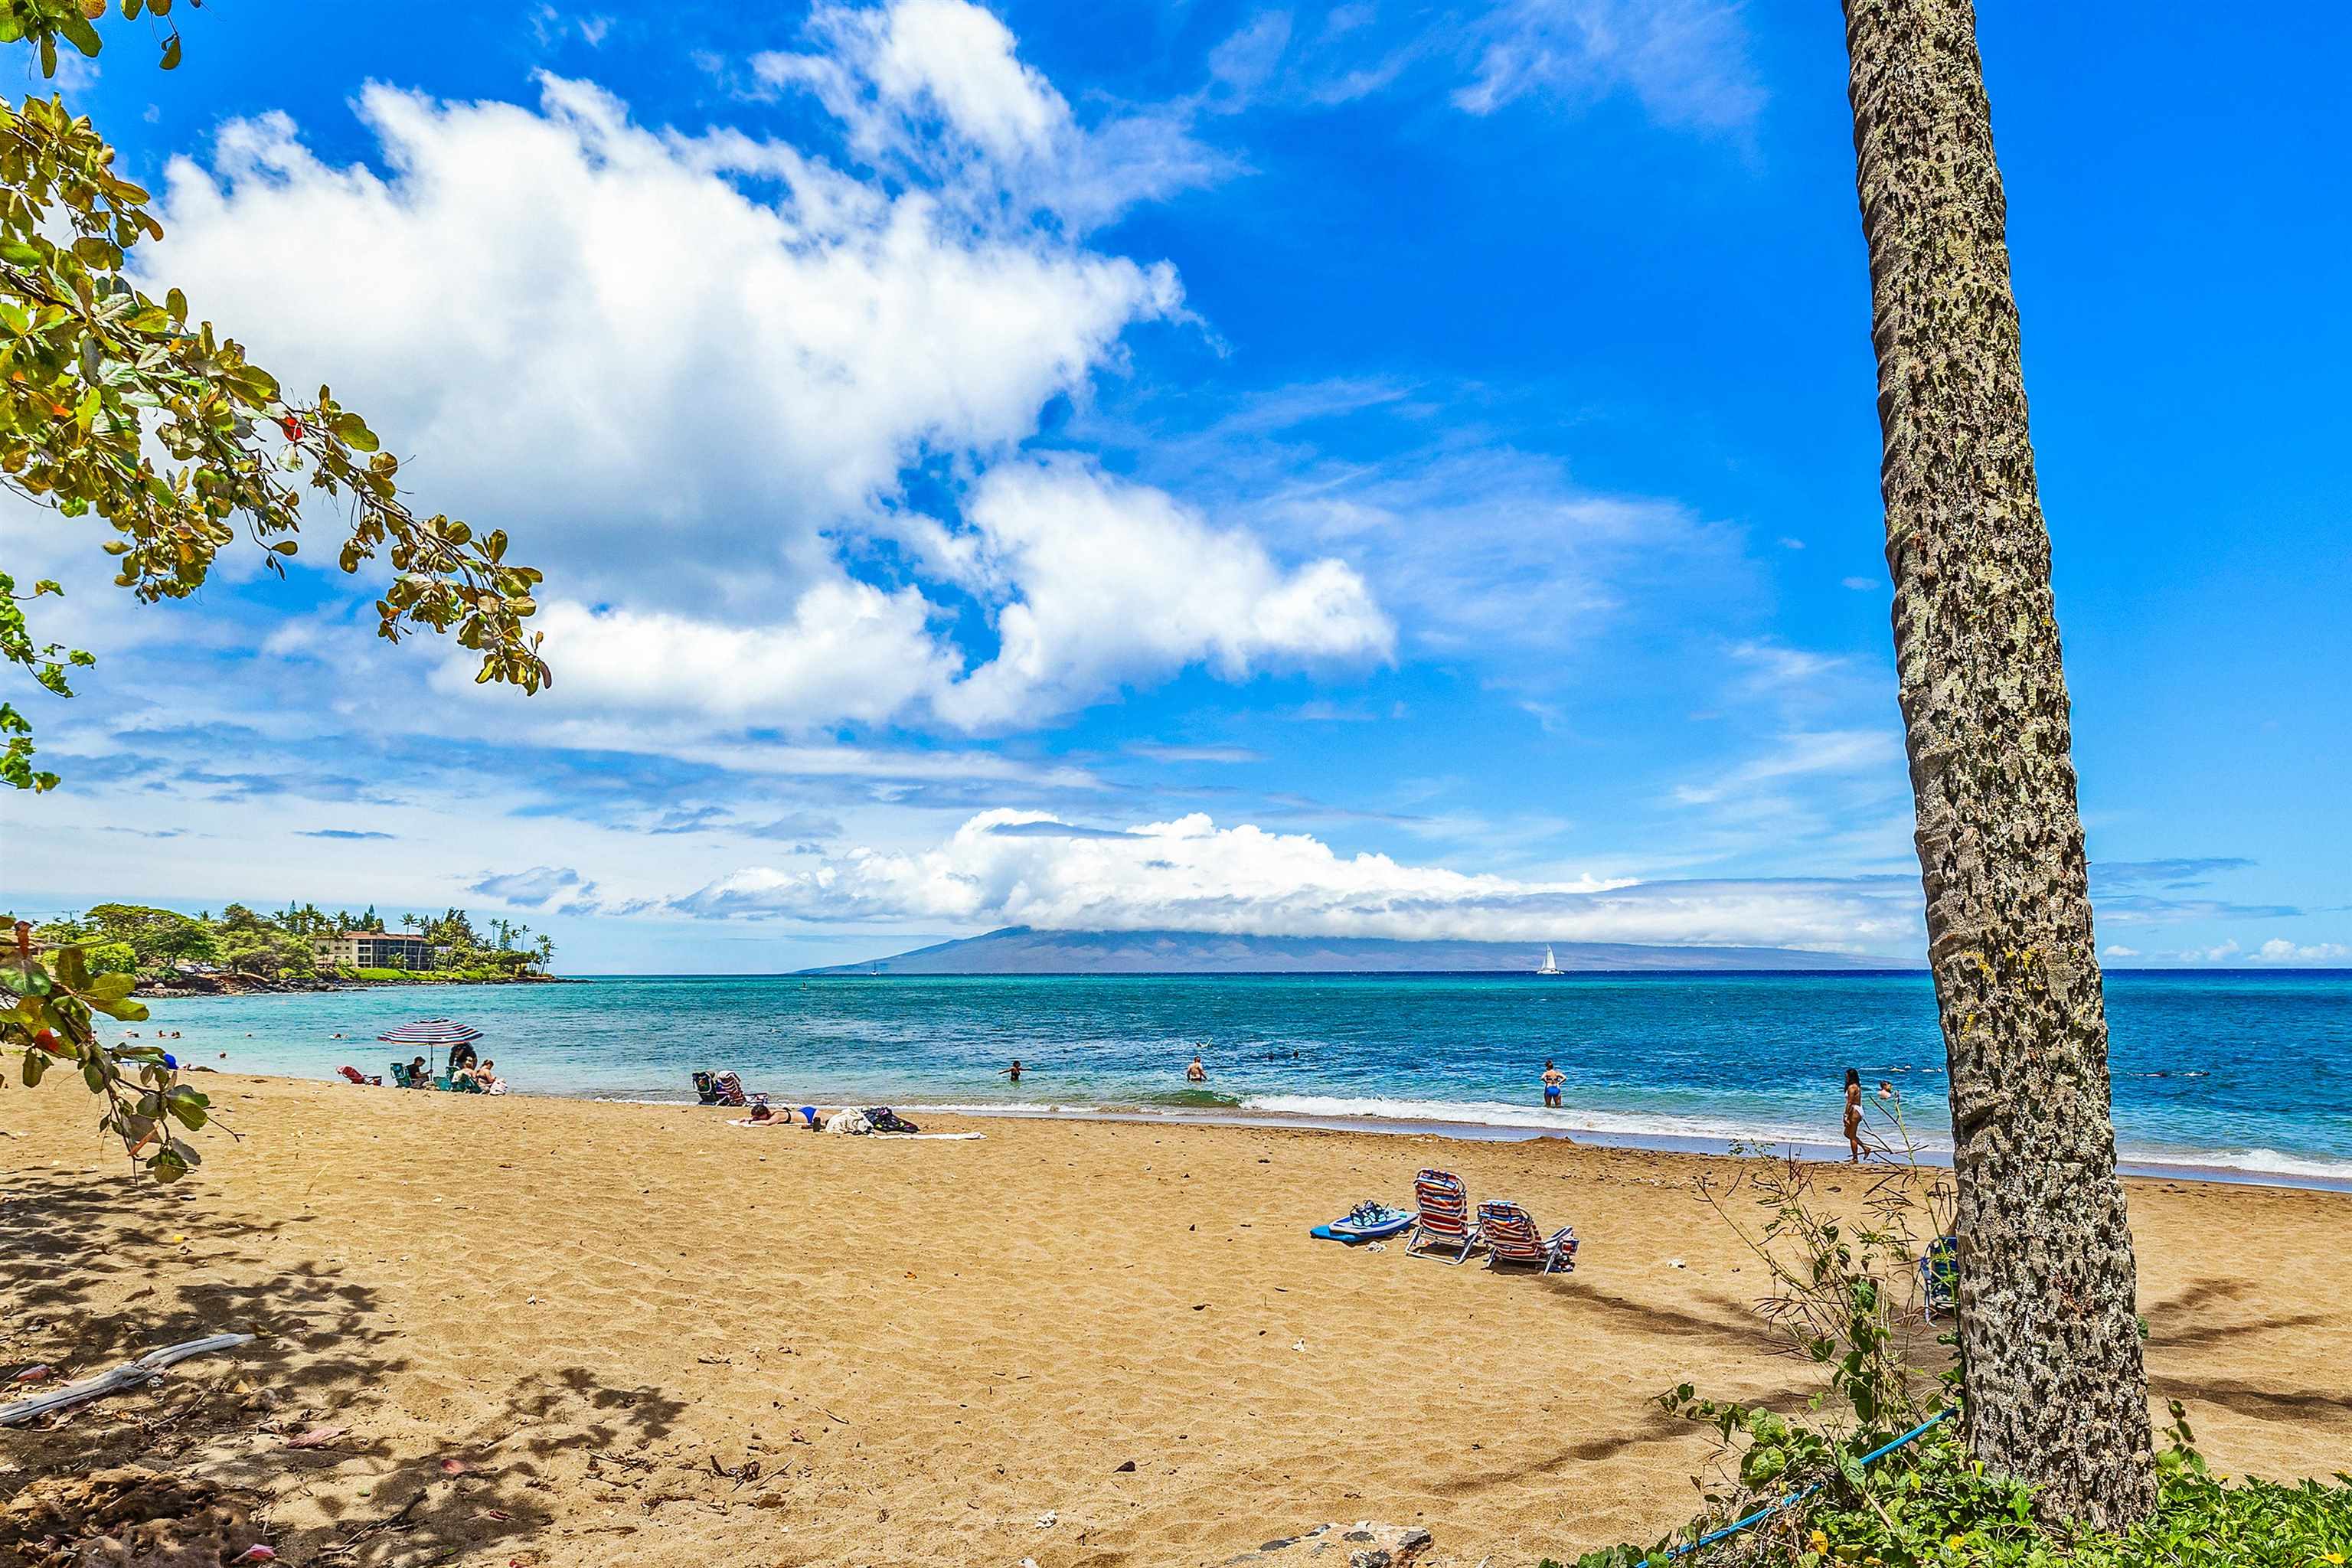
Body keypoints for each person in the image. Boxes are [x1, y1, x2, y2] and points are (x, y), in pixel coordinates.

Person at [1844, 1067, 1865, 1162]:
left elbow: (1850, 1102)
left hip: (1854, 1111)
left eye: (1847, 1076)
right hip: (1858, 1109)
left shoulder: (1852, 1087)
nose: (1846, 1078)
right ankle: (1865, 1148)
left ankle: (1855, 1158)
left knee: (1852, 1135)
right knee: (1847, 1133)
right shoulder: (1857, 1086)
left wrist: (1846, 1115)